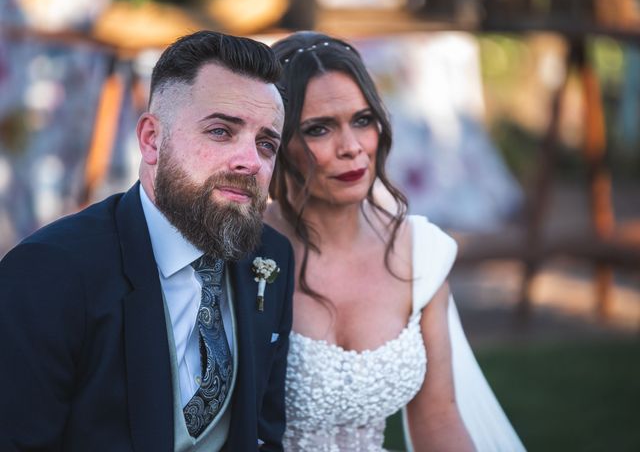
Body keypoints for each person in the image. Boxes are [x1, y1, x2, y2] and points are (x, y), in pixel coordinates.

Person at [0, 30, 294, 452]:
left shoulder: (270, 257)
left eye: (266, 143)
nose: (250, 161)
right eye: (220, 131)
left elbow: (264, 432)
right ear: (151, 139)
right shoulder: (50, 272)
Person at [264, 31, 526, 451]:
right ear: (276, 140)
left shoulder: (420, 252)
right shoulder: (240, 251)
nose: (352, 148)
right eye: (318, 129)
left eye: (363, 121)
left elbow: (438, 417)